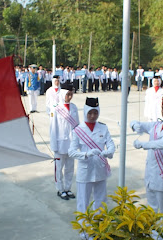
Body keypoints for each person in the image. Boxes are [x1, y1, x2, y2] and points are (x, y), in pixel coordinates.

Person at [68, 97, 115, 240]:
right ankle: (84, 231)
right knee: (83, 202)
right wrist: (86, 154)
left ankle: (100, 229)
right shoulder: (78, 130)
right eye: (90, 113)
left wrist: (109, 151)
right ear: (85, 112)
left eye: (95, 113)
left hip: (100, 169)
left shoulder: (103, 127)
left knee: (101, 201)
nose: (93, 116)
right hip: (85, 171)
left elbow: (111, 144)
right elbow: (71, 151)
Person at [51, 86, 80, 200]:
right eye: (68, 94)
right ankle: (60, 189)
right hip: (60, 144)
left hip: (71, 144)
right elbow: (53, 128)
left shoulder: (74, 107)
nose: (69, 96)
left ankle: (68, 188)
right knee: (58, 168)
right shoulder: (56, 108)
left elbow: (77, 125)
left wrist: (77, 143)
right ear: (63, 95)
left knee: (70, 168)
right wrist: (54, 145)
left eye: (71, 94)